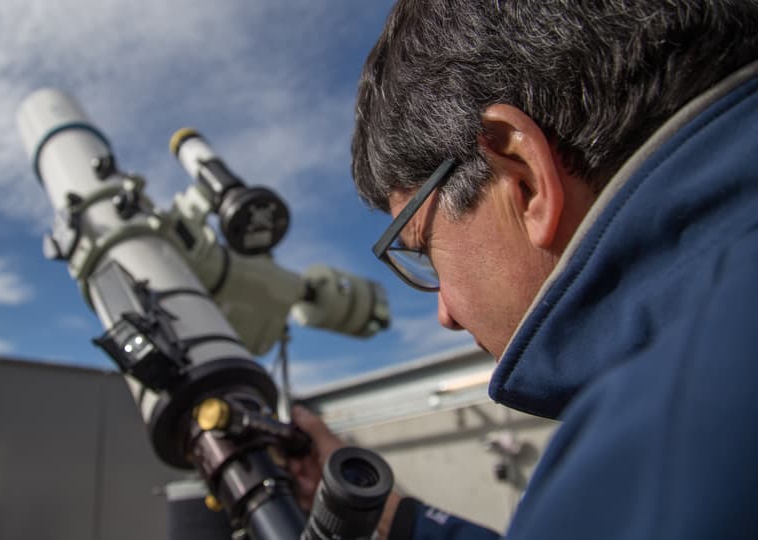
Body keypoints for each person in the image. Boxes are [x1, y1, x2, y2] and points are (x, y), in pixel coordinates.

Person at [288, 1, 758, 538]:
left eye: (423, 248)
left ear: (524, 179)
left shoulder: (665, 436)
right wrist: (398, 522)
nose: (445, 314)